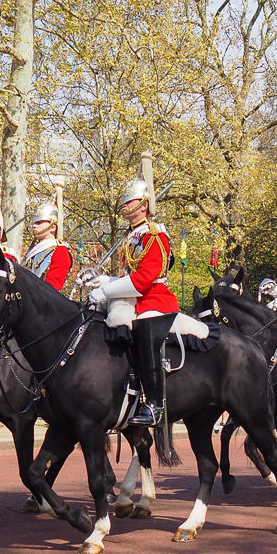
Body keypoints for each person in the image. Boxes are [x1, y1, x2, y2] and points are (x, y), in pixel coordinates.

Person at [89, 153, 179, 428]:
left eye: (130, 201)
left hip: (155, 301)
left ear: (144, 205)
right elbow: (129, 276)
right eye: (125, 201)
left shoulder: (154, 235)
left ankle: (154, 403)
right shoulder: (134, 236)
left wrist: (107, 291)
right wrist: (105, 280)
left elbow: (143, 280)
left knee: (144, 333)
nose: (125, 205)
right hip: (137, 299)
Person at [21, 201, 73, 290]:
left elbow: (52, 289)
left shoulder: (60, 251)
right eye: (34, 222)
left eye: (39, 222)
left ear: (53, 227)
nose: (34, 226)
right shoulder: (32, 252)